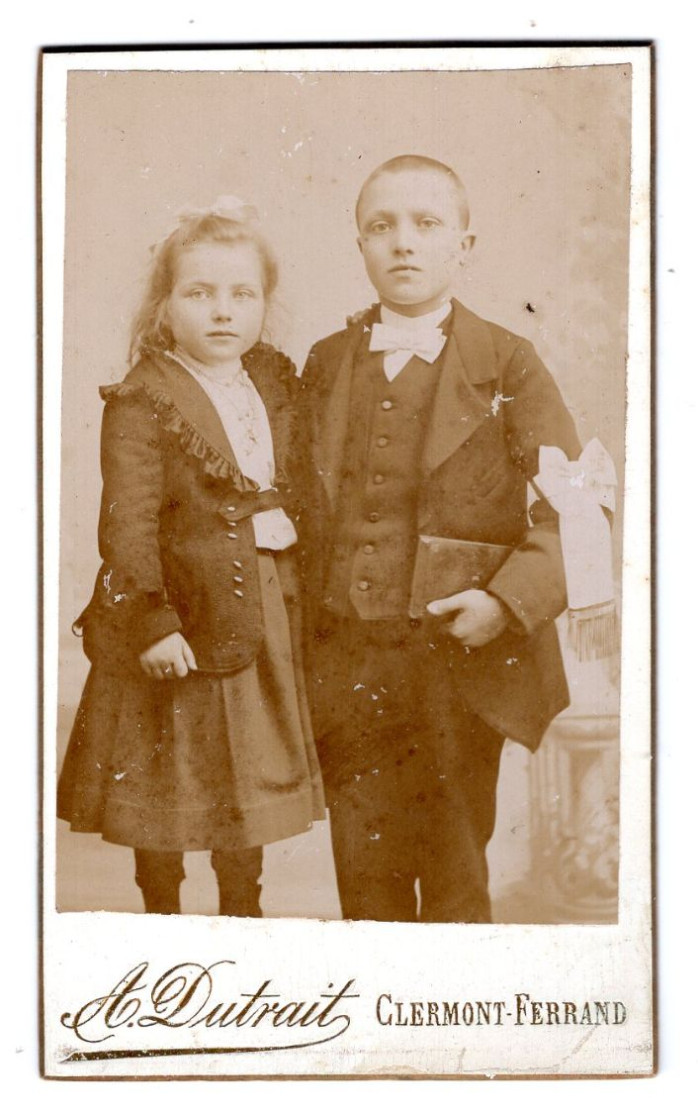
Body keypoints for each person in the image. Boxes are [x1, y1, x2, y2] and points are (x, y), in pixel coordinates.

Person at [298, 154, 584, 923]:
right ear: (358, 244)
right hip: (347, 663)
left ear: (465, 243)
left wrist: (506, 602)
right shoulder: (326, 364)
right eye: (381, 226)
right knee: (364, 879)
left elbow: (585, 510)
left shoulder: (508, 363)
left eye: (426, 224)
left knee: (457, 874)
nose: (403, 243)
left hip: (458, 665)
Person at [58, 199, 325, 916]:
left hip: (262, 605)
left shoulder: (270, 380)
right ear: (165, 306)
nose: (222, 311)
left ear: (265, 303)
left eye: (243, 294)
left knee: (245, 781)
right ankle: (163, 915)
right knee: (169, 781)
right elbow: (128, 524)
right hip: (179, 617)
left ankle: (243, 910)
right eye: (199, 292)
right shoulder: (145, 398)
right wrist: (153, 621)